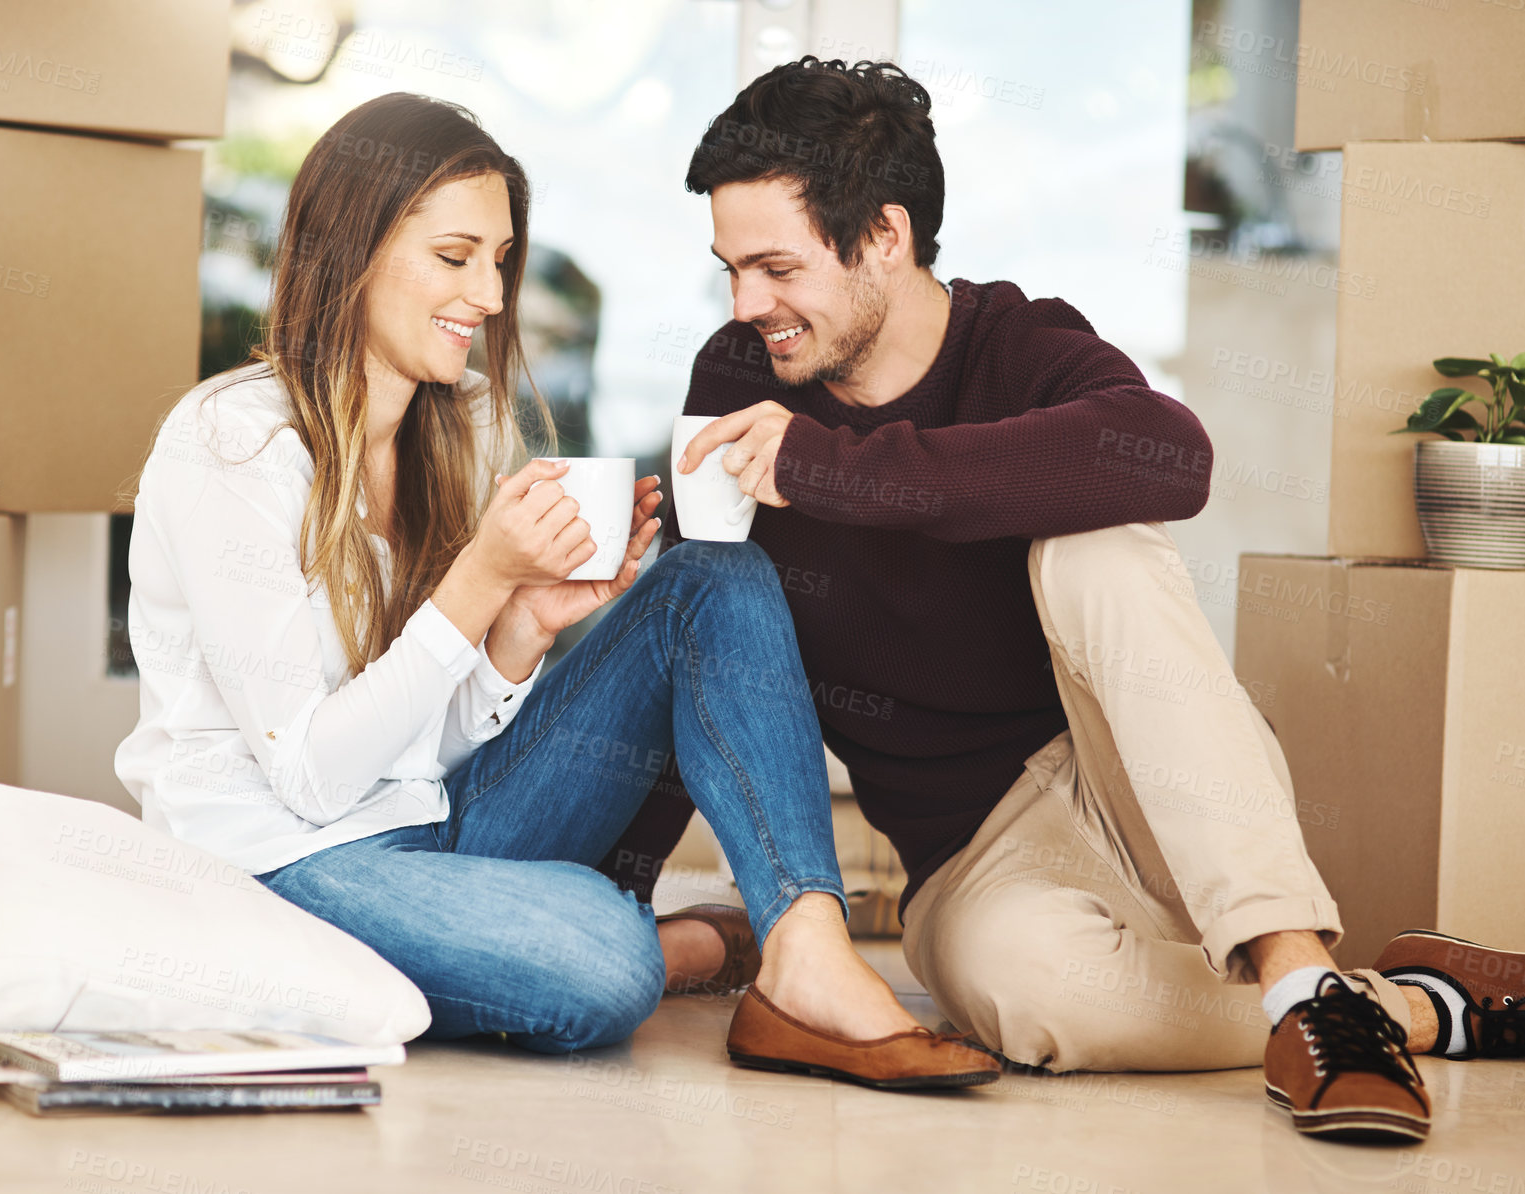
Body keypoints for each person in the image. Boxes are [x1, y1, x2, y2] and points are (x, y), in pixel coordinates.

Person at [606, 57, 1524, 1141]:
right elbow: (707, 623)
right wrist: (622, 911)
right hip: (970, 857)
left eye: (772, 268)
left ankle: (1284, 961)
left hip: (1134, 777)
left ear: (884, 239)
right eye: (728, 270)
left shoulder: (1016, 341)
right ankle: (1393, 1004)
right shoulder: (740, 374)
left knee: (1096, 552)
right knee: (1031, 1002)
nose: (746, 304)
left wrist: (835, 469)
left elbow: (1170, 458)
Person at [113, 91, 997, 1090]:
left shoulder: (438, 437)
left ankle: (808, 958)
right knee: (601, 961)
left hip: (425, 825)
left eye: (498, 260)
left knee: (709, 582)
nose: (489, 296)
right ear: (348, 251)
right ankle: (672, 948)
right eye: (454, 257)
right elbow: (314, 782)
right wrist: (478, 580)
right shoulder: (233, 443)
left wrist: (518, 635)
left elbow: (414, 757)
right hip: (284, 870)